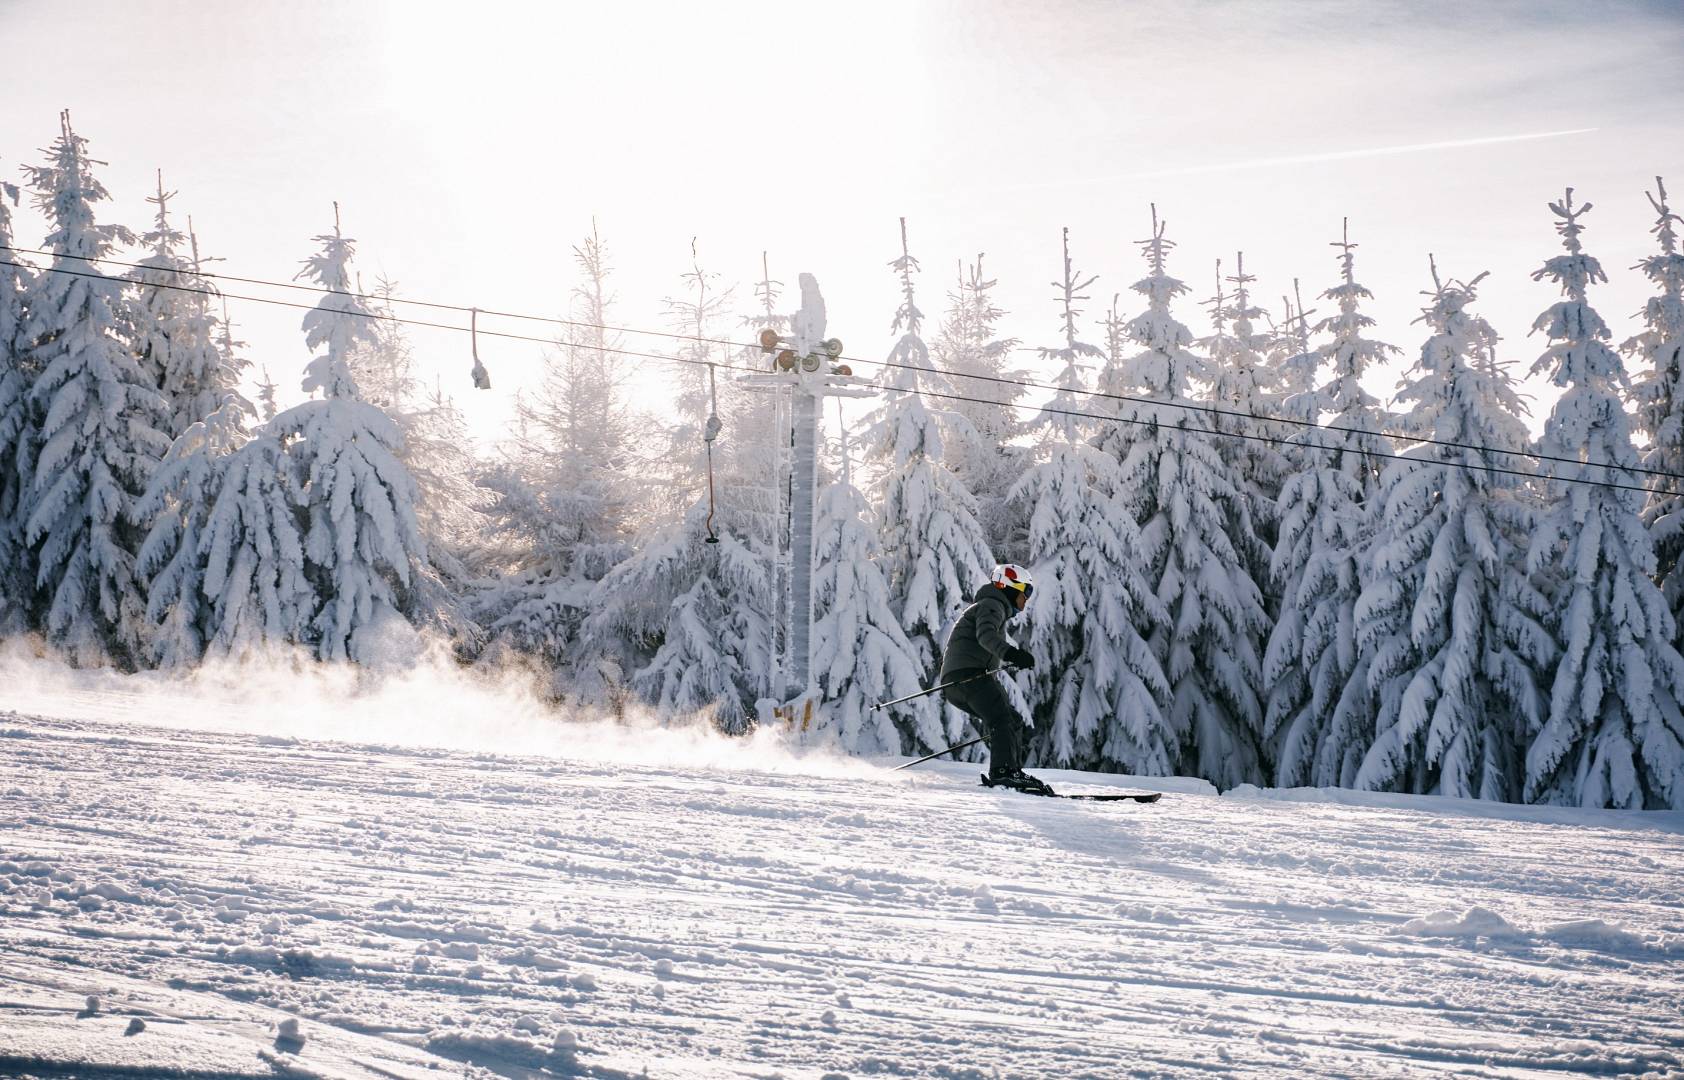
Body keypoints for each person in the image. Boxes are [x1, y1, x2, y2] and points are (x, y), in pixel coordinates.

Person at [937, 564, 1054, 796]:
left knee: (1011, 720)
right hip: (969, 676)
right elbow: (986, 635)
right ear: (1011, 589)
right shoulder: (992, 604)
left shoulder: (988, 606)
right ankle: (1004, 772)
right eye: (1025, 593)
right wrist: (1012, 653)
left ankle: (1011, 771)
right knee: (1003, 718)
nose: (1026, 600)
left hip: (957, 681)